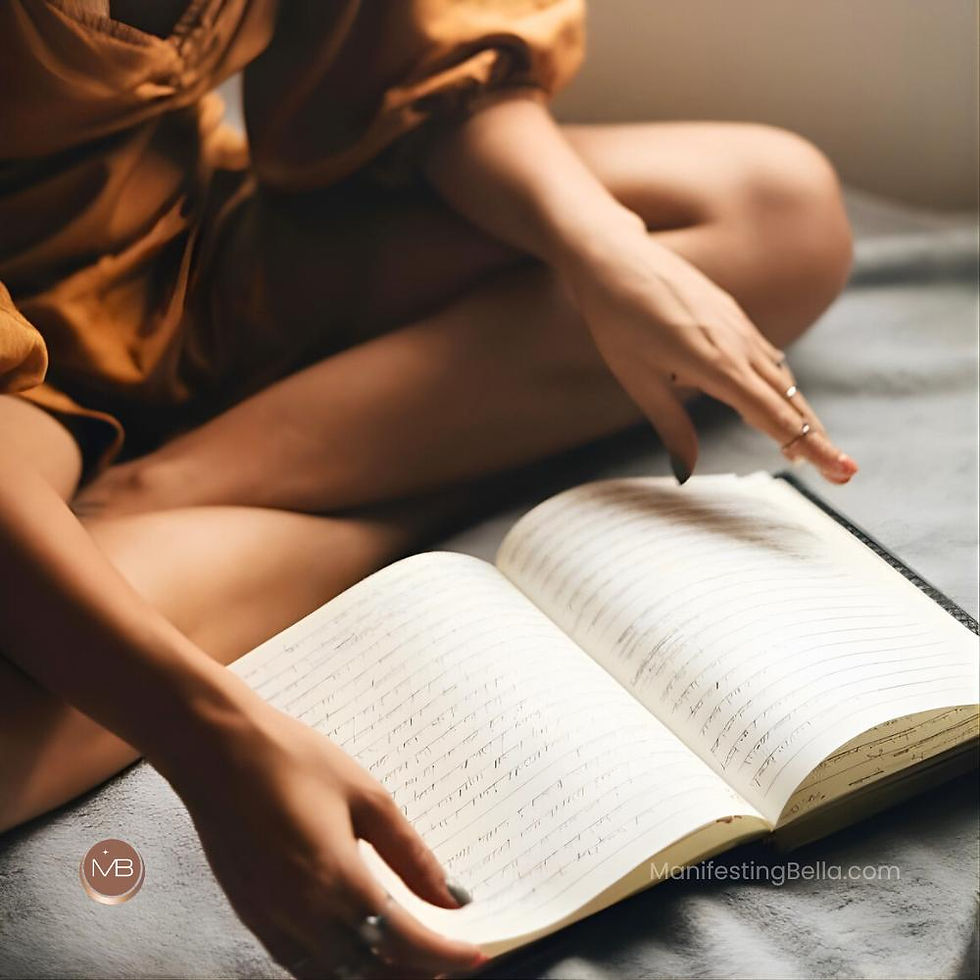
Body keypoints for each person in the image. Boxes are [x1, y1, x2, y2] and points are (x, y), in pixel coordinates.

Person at [0, 1, 857, 976]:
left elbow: (412, 56)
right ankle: (382, 512)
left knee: (776, 208)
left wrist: (604, 251)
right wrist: (215, 738)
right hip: (15, 391)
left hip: (198, 257)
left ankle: (176, 498)